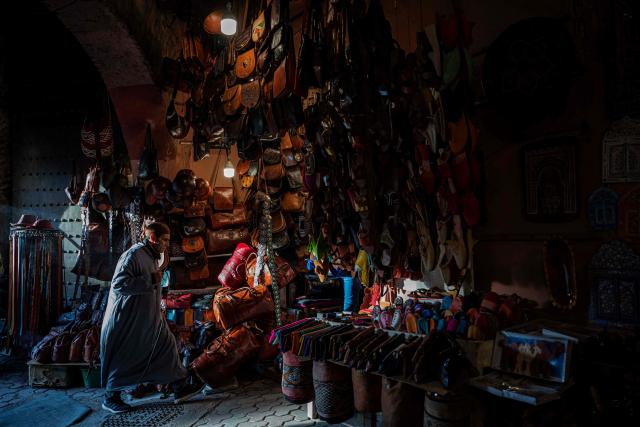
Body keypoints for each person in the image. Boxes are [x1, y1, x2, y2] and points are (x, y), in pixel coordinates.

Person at [100, 222, 204, 413]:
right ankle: (110, 397)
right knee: (124, 358)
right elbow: (119, 285)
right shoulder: (133, 256)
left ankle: (179, 387)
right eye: (164, 240)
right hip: (127, 320)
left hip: (148, 317)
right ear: (153, 238)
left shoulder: (151, 255)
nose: (166, 244)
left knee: (166, 346)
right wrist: (150, 280)